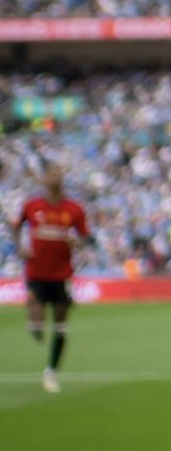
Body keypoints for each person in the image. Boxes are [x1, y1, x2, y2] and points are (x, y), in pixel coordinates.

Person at [14, 163, 92, 394]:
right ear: (44, 177)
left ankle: (51, 372)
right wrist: (20, 247)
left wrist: (76, 242)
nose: (55, 176)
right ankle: (34, 321)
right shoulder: (33, 205)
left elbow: (85, 237)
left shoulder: (74, 209)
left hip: (62, 273)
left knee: (60, 325)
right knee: (38, 324)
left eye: (59, 172)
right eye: (51, 172)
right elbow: (16, 226)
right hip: (37, 271)